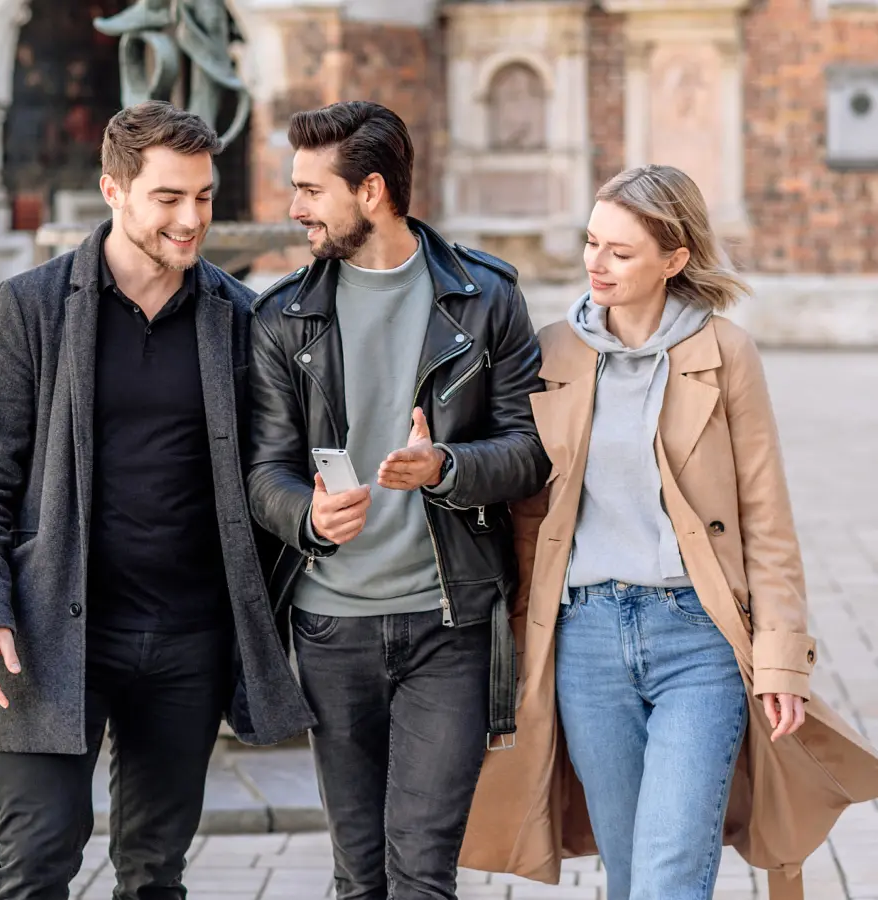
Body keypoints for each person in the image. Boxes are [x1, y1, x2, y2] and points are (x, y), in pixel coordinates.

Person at [460, 164, 878, 900]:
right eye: (592, 243)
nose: (596, 263)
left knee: (668, 878)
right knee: (629, 876)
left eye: (620, 252)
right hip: (584, 642)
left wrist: (782, 661)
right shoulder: (551, 353)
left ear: (674, 260)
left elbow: (766, 521)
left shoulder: (726, 352)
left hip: (699, 638)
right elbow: (523, 510)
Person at [0, 100, 315, 900]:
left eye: (205, 197)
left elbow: (268, 473)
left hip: (187, 641)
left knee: (154, 874)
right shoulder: (31, 308)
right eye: (169, 198)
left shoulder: (239, 318)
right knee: (36, 863)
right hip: (51, 632)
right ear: (114, 191)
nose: (192, 219)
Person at [246, 100, 550, 900]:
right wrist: (304, 516)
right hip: (329, 627)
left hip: (447, 626)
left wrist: (445, 464)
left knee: (422, 873)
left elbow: (529, 452)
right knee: (360, 876)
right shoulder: (282, 317)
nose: (294, 207)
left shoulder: (485, 300)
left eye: (312, 189)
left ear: (371, 190)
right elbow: (263, 471)